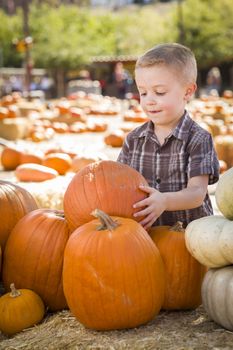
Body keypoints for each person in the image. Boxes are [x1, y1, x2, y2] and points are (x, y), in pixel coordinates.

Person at [117, 43, 219, 229]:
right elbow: (119, 185)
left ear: (188, 91)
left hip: (189, 238)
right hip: (146, 237)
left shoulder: (198, 139)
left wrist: (165, 201)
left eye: (160, 92)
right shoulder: (132, 140)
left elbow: (197, 192)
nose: (149, 100)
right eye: (143, 92)